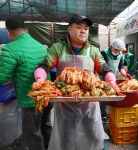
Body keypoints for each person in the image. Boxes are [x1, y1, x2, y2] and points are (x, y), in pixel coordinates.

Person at [34, 14, 120, 150]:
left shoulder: (93, 51)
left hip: (89, 105)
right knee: (67, 139)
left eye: (86, 29)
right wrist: (40, 80)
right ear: (69, 29)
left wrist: (112, 82)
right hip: (65, 106)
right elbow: (44, 65)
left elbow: (105, 69)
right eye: (79, 27)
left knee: (95, 136)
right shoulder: (58, 48)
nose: (83, 31)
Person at [0, 18, 51, 150]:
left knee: (33, 135)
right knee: (45, 128)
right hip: (47, 97)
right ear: (26, 29)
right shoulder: (40, 46)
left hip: (31, 100)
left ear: (8, 32)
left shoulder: (11, 49)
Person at [100, 39, 132, 123]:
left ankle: (111, 112)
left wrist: (122, 71)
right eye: (116, 50)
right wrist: (108, 75)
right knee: (103, 96)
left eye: (119, 50)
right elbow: (102, 65)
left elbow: (121, 65)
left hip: (112, 78)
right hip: (102, 77)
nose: (117, 52)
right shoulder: (104, 52)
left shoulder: (120, 54)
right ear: (112, 46)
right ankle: (103, 114)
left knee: (112, 95)